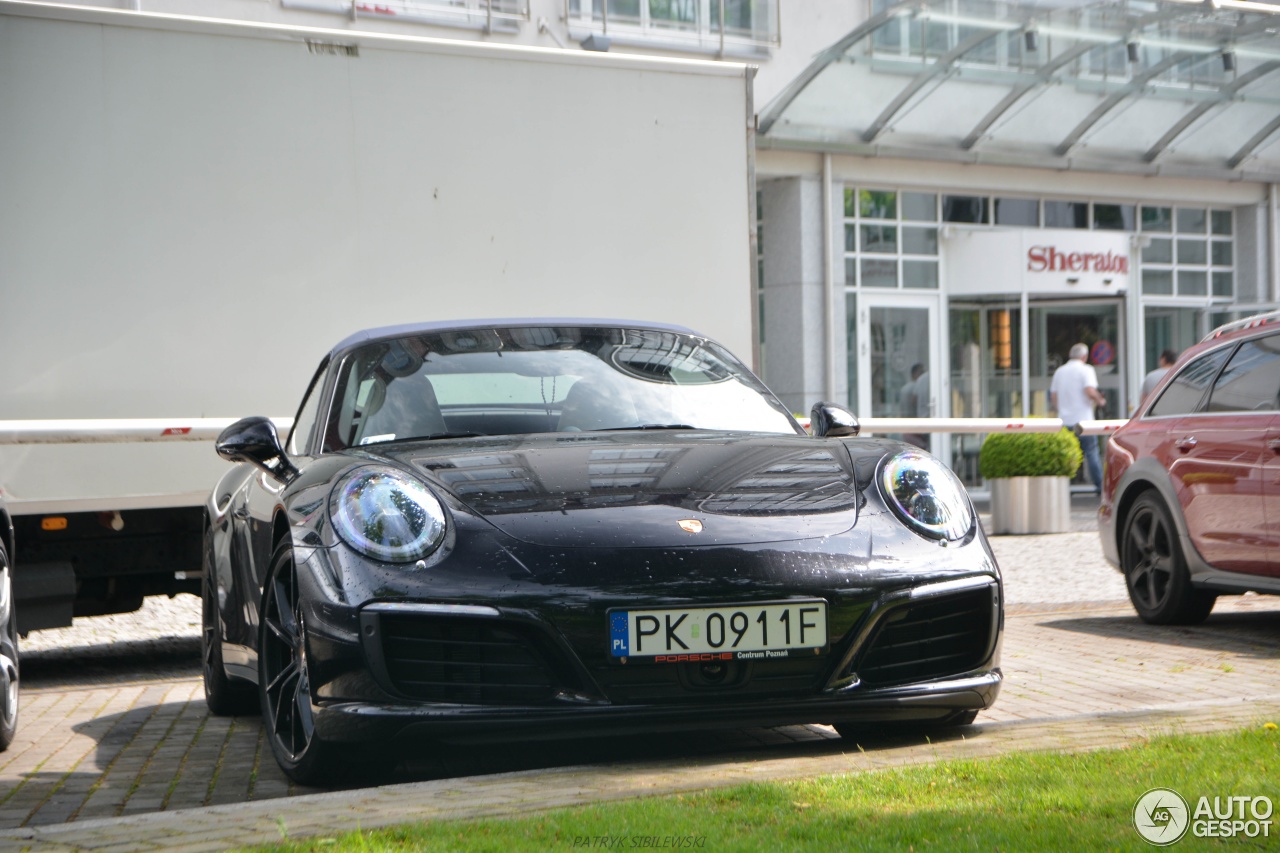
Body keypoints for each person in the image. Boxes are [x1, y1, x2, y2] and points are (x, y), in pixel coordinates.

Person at [1049, 343, 1106, 495]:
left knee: (1066, 454)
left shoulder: (1060, 371)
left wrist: (1060, 409)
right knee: (1091, 452)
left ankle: (1064, 487)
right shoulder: (1086, 370)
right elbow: (1089, 390)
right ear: (1084, 356)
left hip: (1065, 420)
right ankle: (1100, 487)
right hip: (1084, 421)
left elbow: (1053, 396)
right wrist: (1100, 400)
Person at [899, 363, 928, 449]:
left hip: (905, 424)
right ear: (914, 373)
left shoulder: (904, 389)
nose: (923, 374)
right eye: (921, 372)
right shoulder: (917, 385)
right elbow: (914, 401)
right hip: (915, 424)